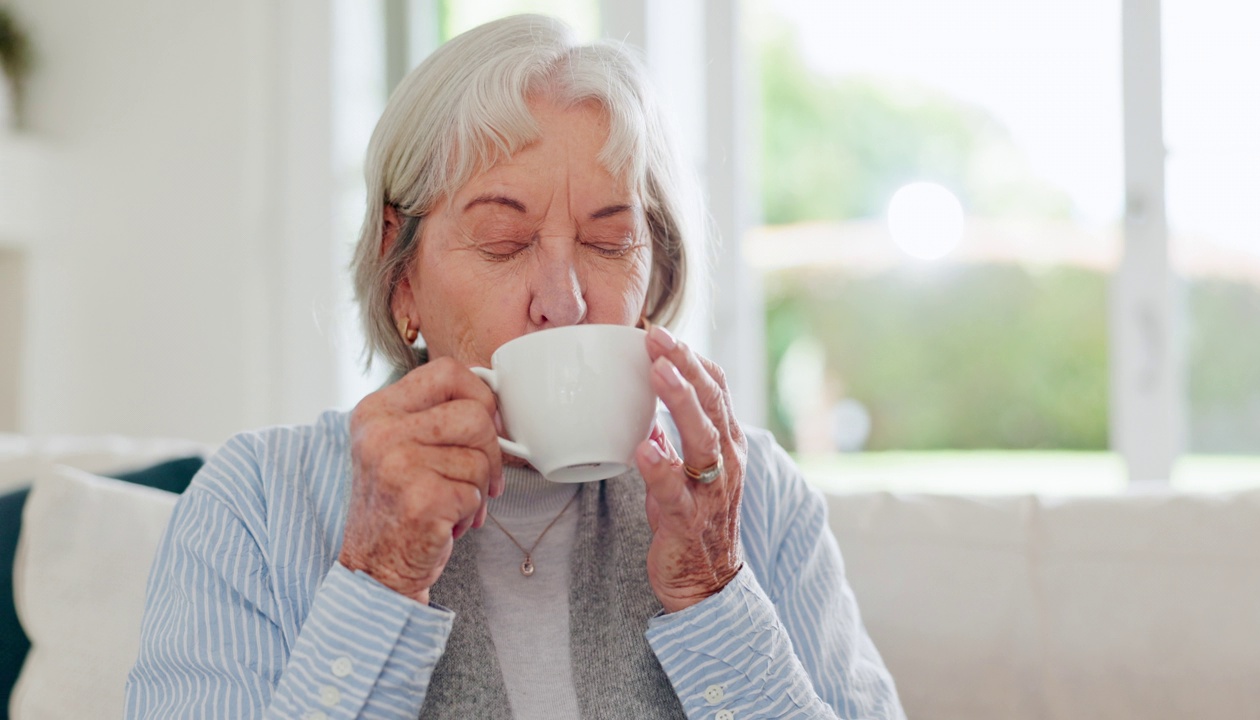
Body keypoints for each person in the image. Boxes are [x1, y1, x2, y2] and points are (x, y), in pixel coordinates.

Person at [125, 13, 905, 720]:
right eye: (503, 243)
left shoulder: (753, 499)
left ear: (654, 278)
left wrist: (715, 594)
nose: (563, 304)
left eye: (608, 243)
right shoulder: (254, 506)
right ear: (403, 279)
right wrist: (377, 578)